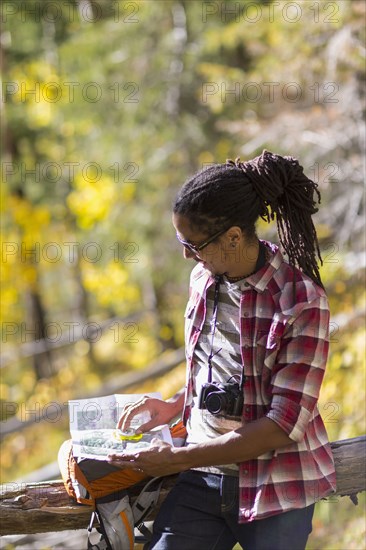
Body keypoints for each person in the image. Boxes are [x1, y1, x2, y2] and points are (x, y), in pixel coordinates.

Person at [108, 150, 336, 550]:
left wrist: (176, 459)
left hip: (275, 487)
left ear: (233, 236)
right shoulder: (204, 279)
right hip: (202, 478)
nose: (186, 255)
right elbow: (210, 374)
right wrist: (177, 405)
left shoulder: (301, 302)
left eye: (193, 244)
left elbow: (283, 425)